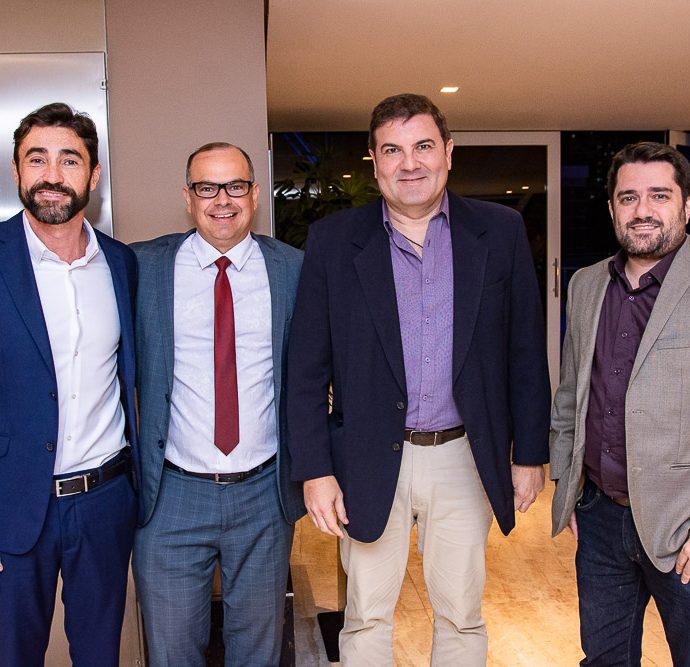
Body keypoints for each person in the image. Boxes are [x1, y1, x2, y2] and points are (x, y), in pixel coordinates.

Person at [287, 93, 551, 665]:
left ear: (448, 153)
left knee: (461, 615)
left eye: (423, 146)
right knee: (365, 617)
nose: (410, 163)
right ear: (374, 160)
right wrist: (315, 470)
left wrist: (530, 453)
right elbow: (306, 368)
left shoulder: (500, 231)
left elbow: (525, 351)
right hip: (366, 455)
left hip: (463, 456)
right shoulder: (334, 241)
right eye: (393, 150)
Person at [131, 142, 305, 666]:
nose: (222, 200)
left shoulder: (293, 269)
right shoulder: (142, 266)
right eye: (207, 187)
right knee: (170, 652)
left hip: (264, 495)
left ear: (255, 195)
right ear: (188, 197)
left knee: (258, 651)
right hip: (171, 496)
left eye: (235, 186)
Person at [0, 102, 139, 666]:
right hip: (11, 506)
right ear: (17, 170)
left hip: (105, 502)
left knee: (101, 655)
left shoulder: (122, 264)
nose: (52, 175)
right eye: (37, 159)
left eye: (70, 160)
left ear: (93, 175)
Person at [551, 141, 690, 665]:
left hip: (681, 525)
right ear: (612, 208)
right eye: (629, 197)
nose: (642, 210)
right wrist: (569, 488)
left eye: (660, 195)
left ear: (686, 205)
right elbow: (571, 396)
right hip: (601, 520)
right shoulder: (587, 284)